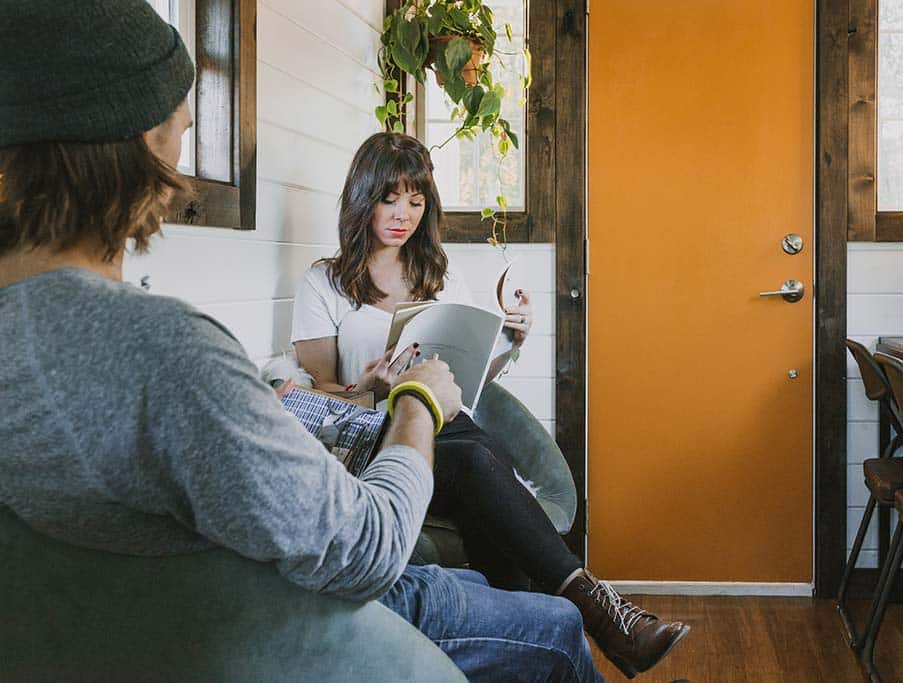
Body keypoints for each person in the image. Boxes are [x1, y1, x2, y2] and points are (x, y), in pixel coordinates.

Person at [0, 3, 604, 681]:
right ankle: (585, 597)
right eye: (178, 113)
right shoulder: (168, 350)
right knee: (555, 629)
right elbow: (366, 550)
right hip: (288, 625)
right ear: (141, 136)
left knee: (493, 538)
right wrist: (413, 404)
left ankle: (570, 584)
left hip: (157, 619)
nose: (191, 124)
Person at [291, 132, 690, 678]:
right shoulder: (325, 281)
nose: (403, 214)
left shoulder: (439, 273)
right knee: (481, 458)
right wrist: (371, 388)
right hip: (375, 433)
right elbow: (315, 395)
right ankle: (596, 611)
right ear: (363, 195)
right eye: (390, 198)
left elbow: (473, 376)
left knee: (473, 448)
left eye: (416, 200)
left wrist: (511, 339)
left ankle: (553, 625)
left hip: (448, 425)